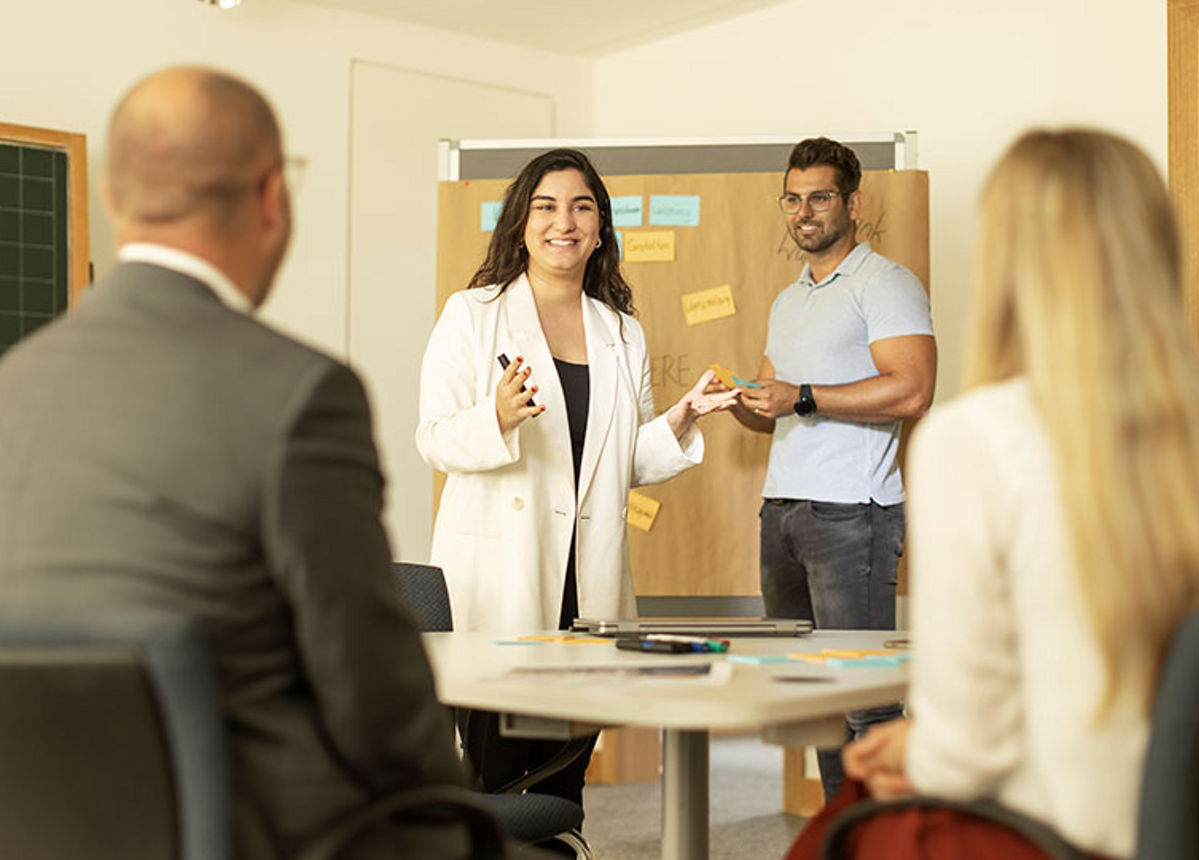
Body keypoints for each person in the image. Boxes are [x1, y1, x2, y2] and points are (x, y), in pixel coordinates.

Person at [0, 67, 470, 860]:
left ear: (114, 198)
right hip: (260, 833)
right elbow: (378, 699)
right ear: (272, 199)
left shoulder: (14, 382)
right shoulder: (299, 393)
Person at [811, 129, 1199, 859]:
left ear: (1007, 265)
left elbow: (967, 753)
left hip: (1058, 837)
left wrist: (918, 747)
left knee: (841, 822)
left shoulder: (975, 440)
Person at [416, 148, 737, 806]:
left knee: (565, 772)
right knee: (497, 776)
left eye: (581, 206)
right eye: (546, 205)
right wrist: (497, 418)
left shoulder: (621, 330)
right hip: (504, 573)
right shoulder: (472, 313)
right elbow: (435, 439)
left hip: (584, 581)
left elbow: (617, 465)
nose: (564, 221)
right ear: (520, 223)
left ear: (600, 227)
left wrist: (678, 423)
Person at [717, 137, 936, 800]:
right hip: (782, 509)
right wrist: (741, 401)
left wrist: (802, 396)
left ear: (852, 203)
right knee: (813, 693)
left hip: (852, 515)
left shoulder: (886, 282)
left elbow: (912, 389)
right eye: (792, 198)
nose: (803, 211)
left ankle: (882, 839)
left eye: (818, 197)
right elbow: (773, 403)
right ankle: (844, 830)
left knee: (862, 697)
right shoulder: (790, 300)